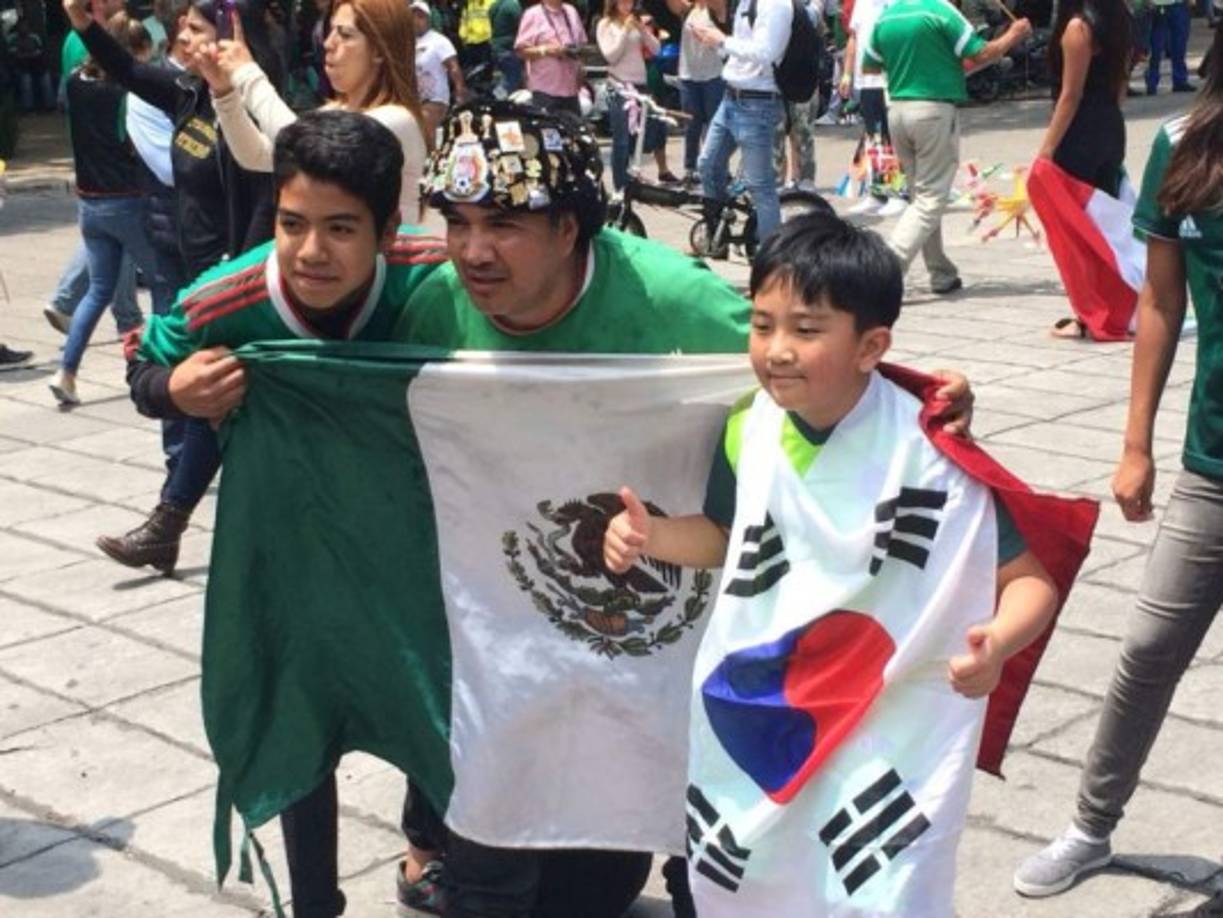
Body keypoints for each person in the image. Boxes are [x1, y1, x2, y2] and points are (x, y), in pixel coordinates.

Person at [392, 99, 977, 918]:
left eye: (503, 223)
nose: (472, 251)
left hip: (669, 609)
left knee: (661, 839)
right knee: (501, 841)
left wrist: (925, 395)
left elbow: (808, 361)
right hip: (508, 626)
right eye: (456, 222)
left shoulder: (671, 297)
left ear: (570, 229)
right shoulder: (433, 307)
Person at [604, 212, 1066, 916]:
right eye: (761, 325)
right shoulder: (745, 426)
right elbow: (730, 538)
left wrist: (997, 643)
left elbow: (1027, 579)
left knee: (876, 884)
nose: (777, 350)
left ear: (870, 345)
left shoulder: (929, 453)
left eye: (806, 329)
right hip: (759, 704)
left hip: (888, 714)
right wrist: (652, 538)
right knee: (752, 874)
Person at [124, 109, 446, 918]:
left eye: (341, 228)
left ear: (387, 228)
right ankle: (312, 902)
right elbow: (143, 363)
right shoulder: (228, 299)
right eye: (291, 223)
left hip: (421, 544)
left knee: (436, 699)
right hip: (293, 551)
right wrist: (176, 391)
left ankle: (430, 852)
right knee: (300, 707)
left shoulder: (434, 282)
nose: (310, 252)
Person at [1013, 22, 1223, 900]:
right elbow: (1159, 307)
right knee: (1144, 646)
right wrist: (1133, 443)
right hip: (1213, 462)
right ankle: (1090, 826)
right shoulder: (1186, 145)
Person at [64, 0, 283, 572]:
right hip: (190, 267)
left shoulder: (255, 107)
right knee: (213, 398)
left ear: (234, 36)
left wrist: (238, 275)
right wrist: (86, 27)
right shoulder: (187, 92)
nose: (183, 38)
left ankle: (171, 522)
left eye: (198, 29)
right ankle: (179, 521)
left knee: (218, 395)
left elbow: (266, 193)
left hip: (233, 276)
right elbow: (130, 71)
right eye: (182, 28)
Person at [198, 0, 430, 220]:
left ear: (379, 50)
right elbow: (255, 155)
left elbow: (305, 149)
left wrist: (247, 73)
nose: (328, 43)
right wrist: (224, 92)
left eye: (345, 35)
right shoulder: (331, 112)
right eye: (330, 31)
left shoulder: (397, 120)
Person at [863, 0, 1031, 294]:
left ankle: (940, 272)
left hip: (898, 110)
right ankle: (886, 269)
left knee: (921, 196)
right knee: (930, 200)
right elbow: (981, 52)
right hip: (934, 111)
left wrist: (921, 64)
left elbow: (870, 64)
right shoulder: (940, 11)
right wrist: (1013, 35)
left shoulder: (887, 16)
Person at [49, 13, 173, 407]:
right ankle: (165, 363)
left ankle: (66, 372)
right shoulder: (126, 94)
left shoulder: (74, 83)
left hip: (90, 201)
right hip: (127, 199)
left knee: (98, 289)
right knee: (162, 280)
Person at [1036, 0, 1133, 338]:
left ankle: (1092, 313)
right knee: (1104, 223)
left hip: (1080, 134)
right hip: (1109, 126)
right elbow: (1120, 83)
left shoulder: (1078, 28)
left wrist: (1047, 149)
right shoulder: (1120, 17)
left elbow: (1070, 95)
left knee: (1078, 229)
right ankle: (1112, 305)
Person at [689, 0, 791, 244]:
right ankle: (718, 233)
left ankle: (771, 258)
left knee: (760, 185)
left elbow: (767, 53)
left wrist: (722, 40)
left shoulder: (777, 5)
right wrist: (715, 43)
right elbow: (740, 56)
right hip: (731, 97)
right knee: (707, 165)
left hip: (758, 102)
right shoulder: (746, 3)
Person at [597, 0, 679, 192]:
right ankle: (620, 186)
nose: (628, 4)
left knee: (641, 137)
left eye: (631, 1)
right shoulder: (605, 24)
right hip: (620, 86)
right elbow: (611, 56)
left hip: (640, 85)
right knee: (622, 139)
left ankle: (633, 178)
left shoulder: (636, 21)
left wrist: (643, 30)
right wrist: (625, 31)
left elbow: (656, 49)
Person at [672, 0, 725, 187]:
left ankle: (716, 167)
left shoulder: (716, 8)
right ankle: (690, 169)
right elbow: (673, 5)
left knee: (714, 124)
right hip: (688, 75)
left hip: (713, 75)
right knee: (691, 125)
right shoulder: (688, 10)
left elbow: (722, 17)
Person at [514, 0, 587, 114]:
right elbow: (520, 51)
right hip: (545, 90)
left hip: (571, 88)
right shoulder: (532, 14)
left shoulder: (571, 12)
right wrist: (546, 50)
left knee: (575, 130)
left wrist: (580, 66)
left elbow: (581, 44)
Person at [412, 0, 466, 139]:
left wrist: (460, 92)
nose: (416, 20)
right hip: (415, 100)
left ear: (428, 19)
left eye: (421, 16)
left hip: (435, 98)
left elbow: (453, 67)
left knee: (427, 136)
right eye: (413, 16)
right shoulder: (408, 43)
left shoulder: (438, 41)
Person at [1146, 0, 1194, 94]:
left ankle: (1179, 81)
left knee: (1179, 45)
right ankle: (1152, 82)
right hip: (1160, 5)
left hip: (1178, 4)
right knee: (1157, 47)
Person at [489, 0, 524, 92]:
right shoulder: (512, 5)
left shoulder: (494, 5)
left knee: (502, 79)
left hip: (495, 47)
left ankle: (495, 97)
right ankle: (496, 99)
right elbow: (523, 25)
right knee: (512, 80)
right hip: (508, 48)